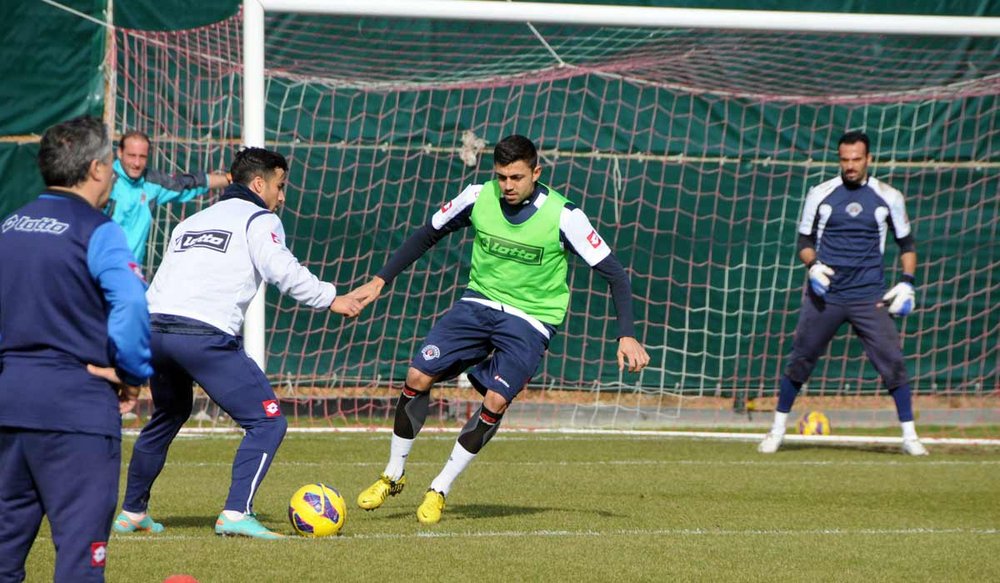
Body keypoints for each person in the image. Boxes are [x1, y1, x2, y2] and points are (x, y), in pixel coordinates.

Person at [350, 134, 651, 524]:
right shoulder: (478, 196)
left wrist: (626, 334)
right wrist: (380, 281)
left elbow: (615, 274)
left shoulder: (564, 216)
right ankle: (393, 475)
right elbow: (427, 233)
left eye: (516, 177)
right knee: (417, 375)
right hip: (478, 305)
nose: (507, 185)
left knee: (495, 400)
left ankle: (439, 489)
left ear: (536, 173)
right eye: (501, 177)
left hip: (532, 319)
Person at [112, 147, 364, 540]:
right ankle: (235, 512)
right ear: (259, 184)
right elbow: (282, 270)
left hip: (154, 330)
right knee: (268, 421)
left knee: (168, 414)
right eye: (280, 186)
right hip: (202, 336)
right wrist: (331, 298)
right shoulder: (260, 219)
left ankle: (132, 512)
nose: (282, 196)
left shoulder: (192, 221)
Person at [0, 116, 152, 582]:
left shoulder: (9, 226)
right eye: (110, 163)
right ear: (97, 169)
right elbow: (131, 303)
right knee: (80, 561)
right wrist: (130, 372)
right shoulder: (97, 229)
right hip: (74, 407)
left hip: (8, 401)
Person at [758, 130, 927, 456]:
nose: (850, 165)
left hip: (869, 296)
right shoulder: (820, 194)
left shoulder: (889, 196)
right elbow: (804, 242)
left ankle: (910, 437)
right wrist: (813, 266)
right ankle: (776, 431)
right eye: (845, 159)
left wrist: (907, 282)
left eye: (856, 159)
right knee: (800, 360)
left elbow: (906, 244)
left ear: (868, 159)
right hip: (826, 296)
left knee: (893, 363)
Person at [107, 130, 230, 267]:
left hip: (131, 270)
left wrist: (230, 179)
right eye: (132, 155)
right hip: (99, 267)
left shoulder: (152, 183)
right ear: (120, 153)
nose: (137, 163)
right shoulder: (105, 181)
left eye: (142, 157)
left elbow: (188, 184)